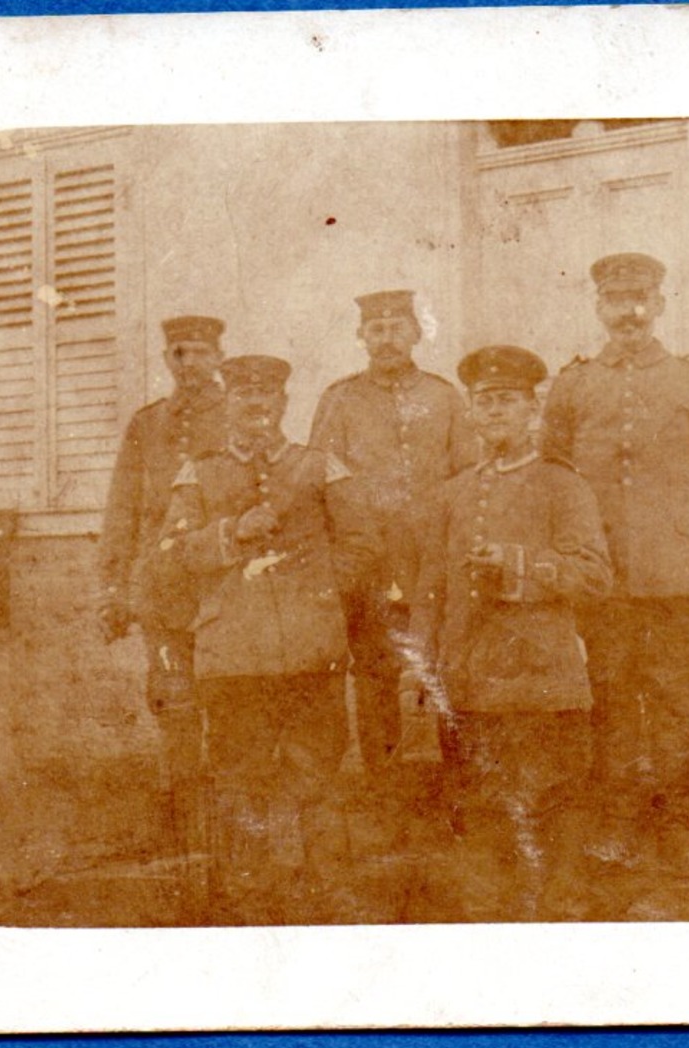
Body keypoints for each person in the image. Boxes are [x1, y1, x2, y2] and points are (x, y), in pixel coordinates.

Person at [147, 354, 378, 924]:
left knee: (319, 775)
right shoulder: (198, 474)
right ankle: (247, 901)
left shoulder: (320, 466)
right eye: (244, 397)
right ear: (228, 403)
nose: (255, 407)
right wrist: (230, 533)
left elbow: (362, 546)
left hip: (310, 652)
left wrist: (317, 594)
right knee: (239, 781)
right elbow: (170, 558)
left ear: (282, 404)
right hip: (233, 657)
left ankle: (330, 895)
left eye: (266, 398)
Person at [540, 253, 689, 876]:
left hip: (674, 574)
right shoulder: (574, 384)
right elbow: (550, 479)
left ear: (658, 305)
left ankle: (677, 824)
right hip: (600, 578)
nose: (628, 311)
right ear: (599, 309)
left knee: (672, 699)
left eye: (640, 299)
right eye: (615, 300)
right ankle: (616, 827)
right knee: (606, 695)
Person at [403, 345, 612, 920]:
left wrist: (517, 563)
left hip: (541, 679)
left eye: (507, 401)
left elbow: (594, 576)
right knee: (480, 803)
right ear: (471, 413)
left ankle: (561, 914)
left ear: (532, 409)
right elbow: (431, 590)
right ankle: (490, 920)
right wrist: (421, 666)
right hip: (470, 680)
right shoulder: (454, 493)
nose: (494, 412)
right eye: (484, 402)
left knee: (554, 803)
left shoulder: (561, 484)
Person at [310, 290, 477, 778]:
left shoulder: (443, 397)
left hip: (433, 560)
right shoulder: (339, 399)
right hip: (371, 563)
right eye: (376, 330)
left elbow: (468, 477)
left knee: (446, 668)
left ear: (416, 333)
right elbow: (321, 481)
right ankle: (383, 790)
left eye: (397, 328)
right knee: (376, 674)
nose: (387, 339)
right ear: (361, 336)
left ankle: (458, 789)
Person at [96, 314, 227, 860]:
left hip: (221, 587)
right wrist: (113, 587)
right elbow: (122, 508)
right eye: (179, 354)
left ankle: (228, 819)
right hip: (161, 589)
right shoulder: (147, 424)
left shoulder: (237, 414)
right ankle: (181, 816)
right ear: (166, 361)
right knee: (173, 699)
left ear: (218, 356)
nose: (189, 364)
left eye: (199, 352)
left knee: (225, 700)